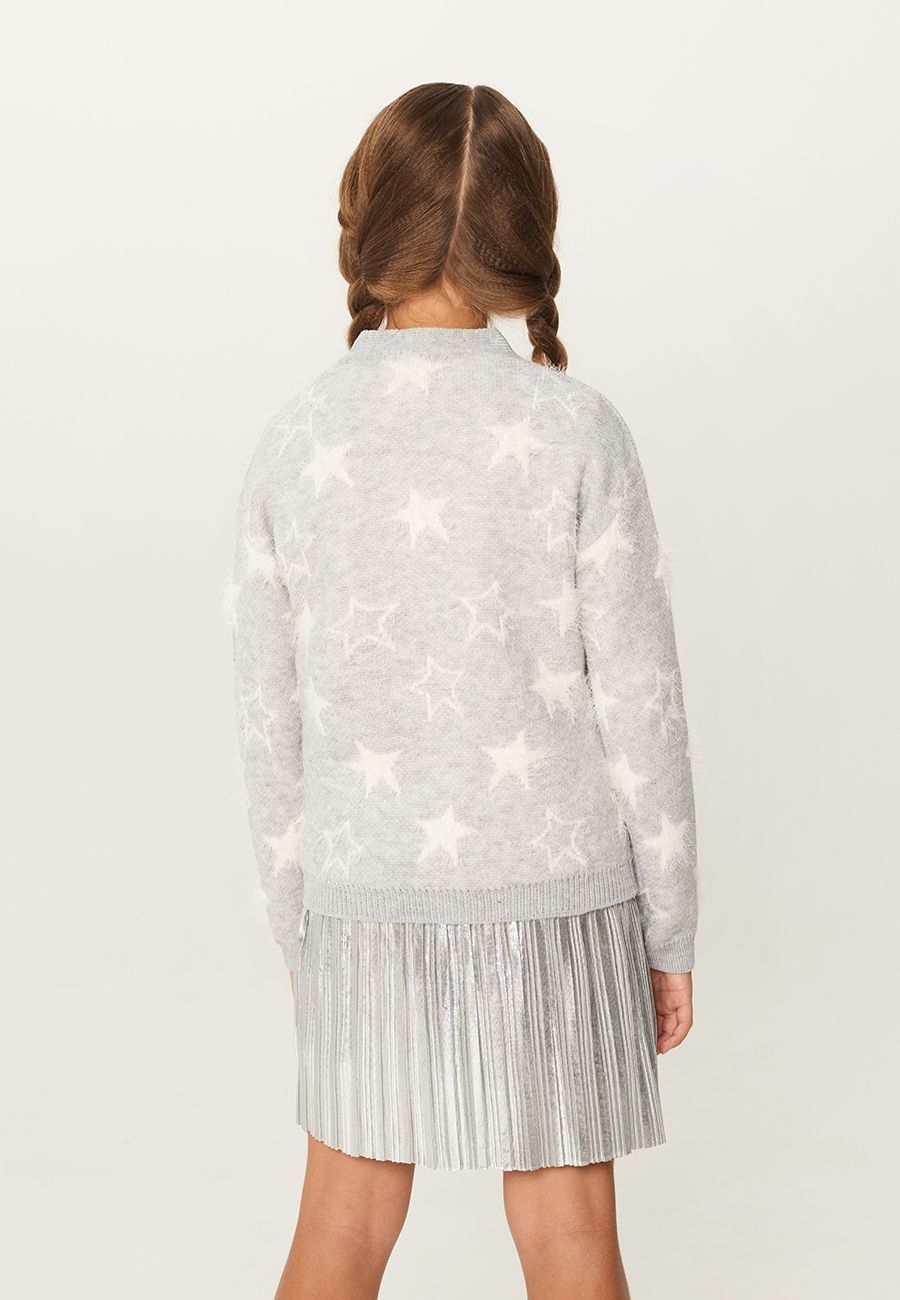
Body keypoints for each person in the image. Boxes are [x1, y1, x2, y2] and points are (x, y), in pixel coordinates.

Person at [229, 81, 699, 1300]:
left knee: (340, 1229)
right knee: (570, 1237)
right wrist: (669, 930)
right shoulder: (578, 429)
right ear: (525, 234)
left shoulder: (297, 439)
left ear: (365, 223)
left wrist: (300, 929)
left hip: (365, 898)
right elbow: (642, 701)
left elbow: (269, 722)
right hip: (557, 899)